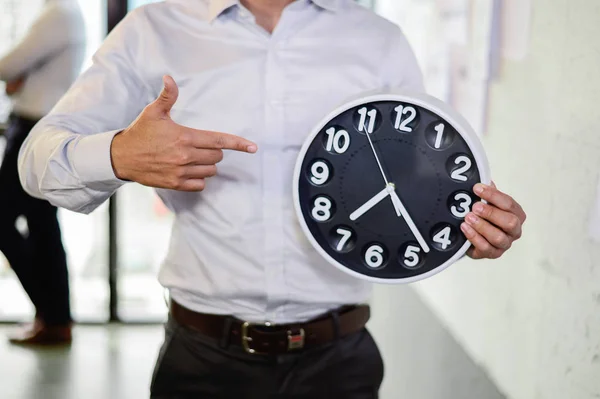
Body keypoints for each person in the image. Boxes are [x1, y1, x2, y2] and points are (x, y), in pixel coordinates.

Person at [18, 0, 526, 397]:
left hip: (340, 363)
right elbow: (35, 163)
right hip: (202, 362)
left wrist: (471, 225)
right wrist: (118, 154)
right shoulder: (152, 30)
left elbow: (416, 184)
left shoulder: (378, 40)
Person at [0, 0, 86, 345]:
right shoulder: (63, 13)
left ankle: (53, 314)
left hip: (34, 128)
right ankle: (53, 318)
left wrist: (18, 74)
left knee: (13, 220)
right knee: (42, 223)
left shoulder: (59, 13)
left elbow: (7, 67)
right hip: (40, 125)